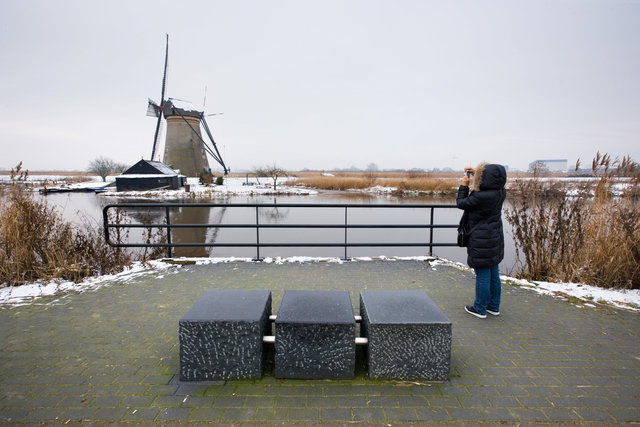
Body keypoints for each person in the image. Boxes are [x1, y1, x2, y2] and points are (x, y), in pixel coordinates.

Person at [456, 163, 507, 319]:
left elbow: (461, 203)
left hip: (481, 239)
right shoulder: (500, 192)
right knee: (493, 273)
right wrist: (476, 172)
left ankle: (479, 308)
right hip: (494, 238)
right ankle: (493, 306)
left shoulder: (480, 197)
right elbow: (491, 178)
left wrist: (464, 186)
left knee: (483, 274)